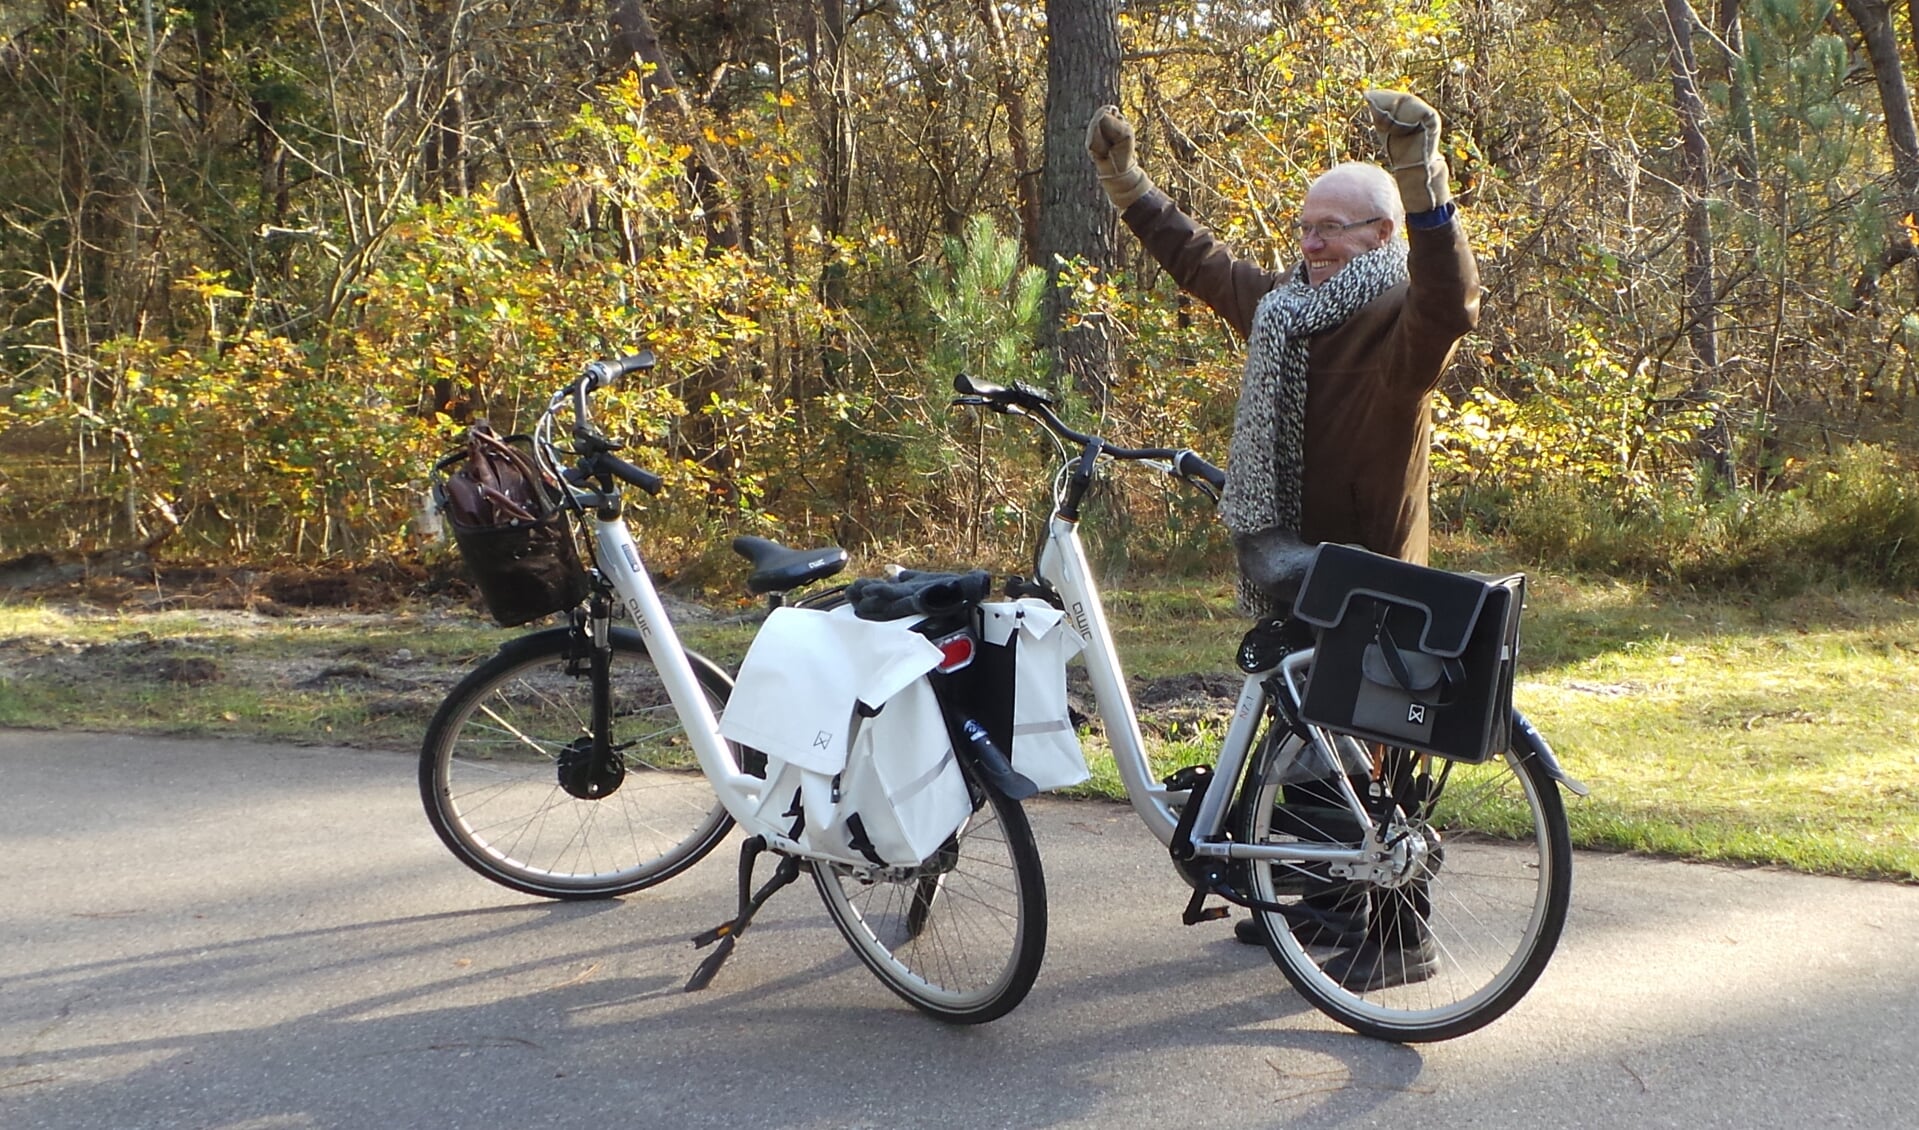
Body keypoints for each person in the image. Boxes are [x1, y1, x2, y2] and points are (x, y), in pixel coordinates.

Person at [1086, 91, 1481, 989]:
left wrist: (1423, 179)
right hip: (1292, 570)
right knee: (1300, 743)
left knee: (1356, 763)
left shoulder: (1400, 323)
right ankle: (1305, 908)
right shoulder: (1283, 311)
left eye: (1333, 230)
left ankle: (1394, 940)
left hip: (1369, 575)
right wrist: (1126, 183)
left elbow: (1451, 297)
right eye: (1304, 226)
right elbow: (1199, 260)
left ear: (1382, 237)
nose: (1310, 242)